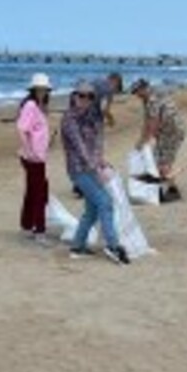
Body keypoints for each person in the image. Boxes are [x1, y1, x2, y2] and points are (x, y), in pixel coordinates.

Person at [62, 81, 130, 265]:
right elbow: (80, 147)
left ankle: (77, 246)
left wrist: (101, 160)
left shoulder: (92, 116)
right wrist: (96, 167)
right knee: (105, 203)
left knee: (92, 211)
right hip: (78, 170)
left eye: (90, 96)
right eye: (81, 95)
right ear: (74, 96)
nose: (85, 99)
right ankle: (113, 246)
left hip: (90, 167)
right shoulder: (69, 119)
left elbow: (97, 141)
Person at [130, 78, 187, 203]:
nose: (136, 95)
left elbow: (153, 123)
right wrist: (142, 140)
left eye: (137, 91)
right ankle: (167, 189)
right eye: (134, 92)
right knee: (161, 160)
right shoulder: (151, 96)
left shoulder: (152, 99)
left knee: (162, 162)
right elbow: (148, 121)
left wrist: (144, 141)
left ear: (143, 88)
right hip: (169, 131)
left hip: (172, 132)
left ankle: (172, 191)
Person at [16, 73, 52, 243]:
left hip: (38, 157)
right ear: (33, 89)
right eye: (39, 89)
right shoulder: (30, 105)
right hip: (33, 158)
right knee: (40, 193)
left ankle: (28, 225)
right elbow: (22, 129)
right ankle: (39, 230)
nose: (42, 92)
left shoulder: (39, 105)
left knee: (34, 191)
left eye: (44, 90)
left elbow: (36, 130)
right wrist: (29, 150)